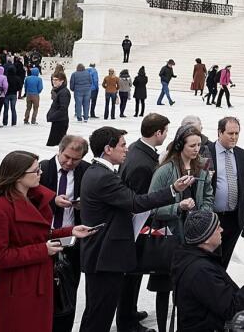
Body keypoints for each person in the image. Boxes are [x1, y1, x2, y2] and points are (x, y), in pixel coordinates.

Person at [78, 126, 194, 332]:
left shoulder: (96, 171)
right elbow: (136, 202)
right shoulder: (104, 177)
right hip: (104, 258)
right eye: (122, 145)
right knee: (99, 315)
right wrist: (173, 189)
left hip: (101, 255)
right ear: (108, 149)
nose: (126, 150)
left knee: (97, 311)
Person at [0, 150, 96, 332]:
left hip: (40, 281)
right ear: (19, 176)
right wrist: (42, 251)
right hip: (19, 287)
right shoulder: (0, 209)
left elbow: (36, 234)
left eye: (40, 169)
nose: (41, 174)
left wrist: (70, 231)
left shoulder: (32, 198)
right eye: (36, 171)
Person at [147, 124, 215, 332]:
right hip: (171, 238)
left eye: (199, 145)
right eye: (192, 145)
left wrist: (202, 213)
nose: (197, 149)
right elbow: (151, 207)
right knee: (164, 288)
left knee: (189, 289)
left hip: (195, 239)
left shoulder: (202, 167)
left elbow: (209, 195)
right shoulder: (165, 170)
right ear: (180, 145)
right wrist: (178, 207)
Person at [171, 207, 244, 332]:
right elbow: (231, 309)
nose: (222, 230)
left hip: (208, 321)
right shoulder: (201, 270)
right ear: (206, 239)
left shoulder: (190, 257)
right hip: (208, 326)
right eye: (217, 228)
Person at [115, 113, 171, 332]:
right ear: (158, 133)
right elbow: (139, 202)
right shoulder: (143, 164)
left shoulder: (139, 151)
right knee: (131, 275)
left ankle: (130, 310)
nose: (166, 135)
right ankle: (127, 321)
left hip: (134, 227)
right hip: (135, 228)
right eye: (165, 131)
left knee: (133, 275)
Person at [39, 135, 91, 332]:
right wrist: (52, 201)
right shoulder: (43, 170)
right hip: (47, 238)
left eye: (75, 160)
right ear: (59, 151)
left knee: (68, 292)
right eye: (66, 157)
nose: (69, 163)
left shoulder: (85, 171)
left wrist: (81, 206)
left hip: (72, 241)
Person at [204, 116, 244, 269]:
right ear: (219, 132)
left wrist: (243, 215)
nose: (234, 137)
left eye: (237, 133)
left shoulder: (242, 154)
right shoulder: (206, 152)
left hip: (234, 219)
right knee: (208, 261)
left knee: (224, 261)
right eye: (230, 133)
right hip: (212, 218)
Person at [45, 74, 72, 148]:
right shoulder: (59, 91)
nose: (54, 82)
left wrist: (52, 116)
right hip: (57, 120)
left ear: (62, 81)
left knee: (56, 144)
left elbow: (63, 108)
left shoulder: (64, 92)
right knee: (55, 143)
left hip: (60, 121)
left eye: (56, 80)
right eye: (53, 80)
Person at [3, 58, 26, 127]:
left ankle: (5, 122)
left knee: (6, 109)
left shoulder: (5, 78)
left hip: (6, 94)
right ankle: (14, 122)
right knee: (13, 108)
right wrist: (16, 90)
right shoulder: (17, 78)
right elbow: (20, 87)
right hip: (13, 94)